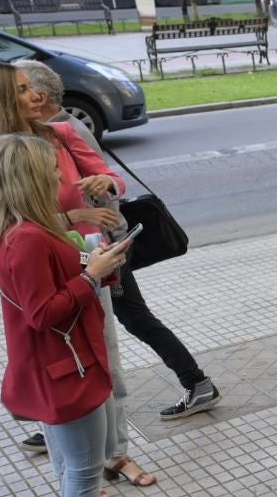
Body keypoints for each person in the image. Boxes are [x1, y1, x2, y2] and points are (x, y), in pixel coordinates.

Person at [0, 62, 156, 497]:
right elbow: (5, 222)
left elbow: (115, 184)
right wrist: (77, 215)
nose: (37, 97)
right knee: (56, 369)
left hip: (86, 257)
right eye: (23, 90)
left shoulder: (59, 134)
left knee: (105, 357)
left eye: (33, 88)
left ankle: (115, 454)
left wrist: (106, 182)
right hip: (35, 267)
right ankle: (74, 477)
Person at [0, 133, 162, 497]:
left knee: (78, 468)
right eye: (50, 171)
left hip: (71, 365)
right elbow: (43, 313)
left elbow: (57, 285)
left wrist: (95, 263)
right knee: (82, 474)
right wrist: (90, 275)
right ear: (28, 178)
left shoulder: (29, 230)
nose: (60, 178)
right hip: (64, 371)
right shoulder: (25, 239)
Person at [15, 60, 220, 422]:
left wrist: (99, 193)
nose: (28, 96)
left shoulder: (64, 131)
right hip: (70, 249)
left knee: (129, 319)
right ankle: (66, 412)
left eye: (24, 88)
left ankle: (192, 383)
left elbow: (109, 189)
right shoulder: (17, 142)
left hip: (98, 249)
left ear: (41, 94)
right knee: (108, 322)